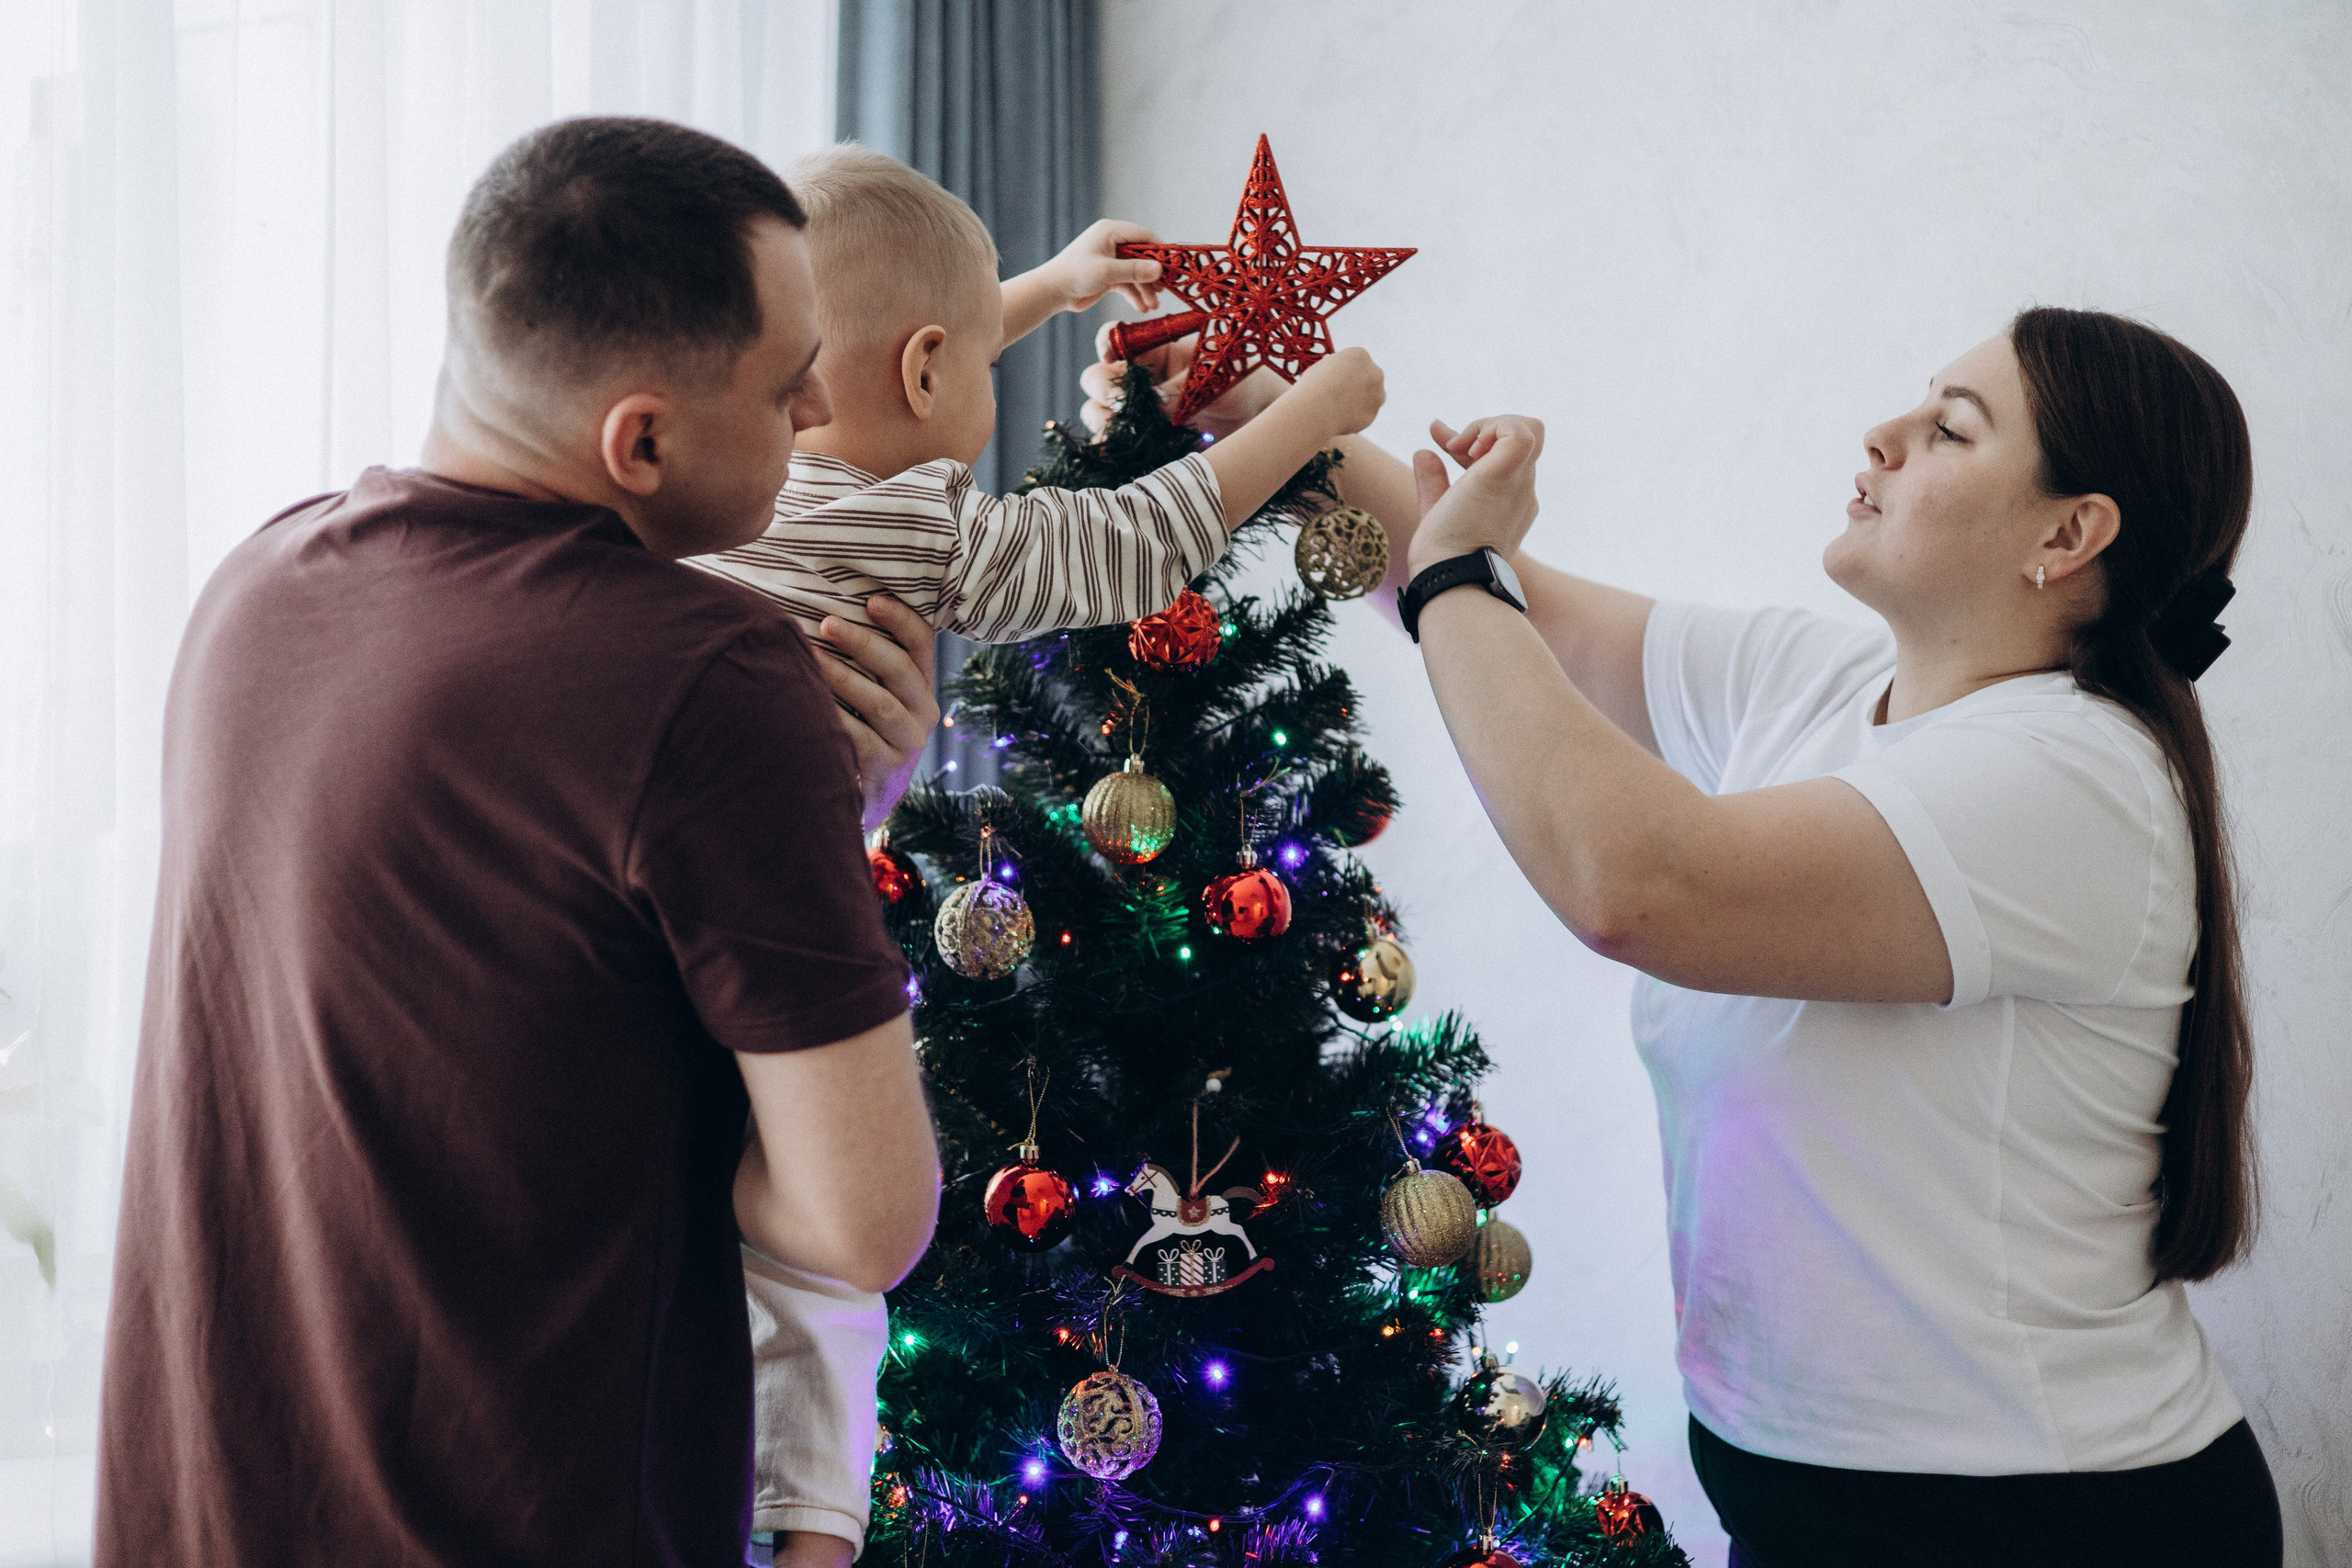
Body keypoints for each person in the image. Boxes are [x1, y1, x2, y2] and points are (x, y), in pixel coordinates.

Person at [1085, 309, 2281, 1567]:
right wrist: (1270, 415)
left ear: (2067, 533)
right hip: (1805, 1495)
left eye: (1947, 428)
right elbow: (1516, 618)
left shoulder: (2074, 774)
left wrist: (1453, 568)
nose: (1882, 434)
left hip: (2044, 1516)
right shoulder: (1818, 684)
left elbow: (1633, 882)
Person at [94, 117, 945, 1567]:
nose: (817, 415)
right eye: (788, 381)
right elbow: (863, 1216)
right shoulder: (712, 674)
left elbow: (492, 1000)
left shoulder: (256, 590)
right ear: (643, 437)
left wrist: (806, 828)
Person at [694, 144, 1385, 697]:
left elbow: (915, 343)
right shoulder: (916, 529)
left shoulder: (725, 489)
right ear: (926, 374)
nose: (992, 369)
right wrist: (1312, 411)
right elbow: (1134, 543)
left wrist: (1057, 284)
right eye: (988, 366)